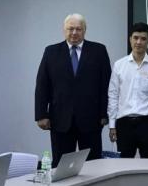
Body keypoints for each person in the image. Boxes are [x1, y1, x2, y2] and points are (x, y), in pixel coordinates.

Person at [34, 13, 111, 166]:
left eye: (78, 29)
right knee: (61, 166)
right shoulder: (51, 52)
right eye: (70, 29)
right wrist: (41, 115)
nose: (74, 32)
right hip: (60, 119)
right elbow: (42, 85)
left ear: (84, 30)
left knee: (93, 166)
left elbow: (106, 84)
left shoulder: (98, 51)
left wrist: (105, 113)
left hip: (91, 119)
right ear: (64, 30)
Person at [107, 22, 148, 158]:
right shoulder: (119, 65)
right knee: (124, 165)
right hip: (124, 123)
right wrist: (112, 125)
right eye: (135, 38)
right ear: (130, 39)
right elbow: (113, 95)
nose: (139, 42)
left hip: (147, 123)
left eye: (143, 38)